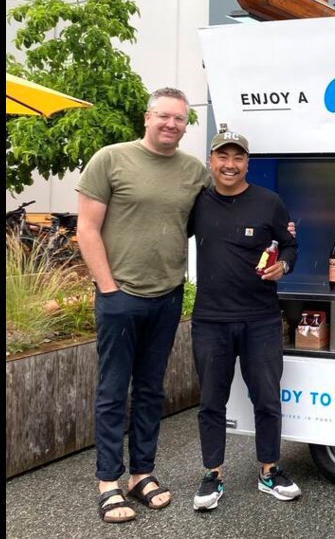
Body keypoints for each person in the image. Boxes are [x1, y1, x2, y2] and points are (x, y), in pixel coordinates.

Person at [77, 87, 209, 523]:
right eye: (164, 116)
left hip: (167, 295)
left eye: (179, 120)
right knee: (114, 390)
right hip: (120, 296)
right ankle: (108, 483)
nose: (171, 125)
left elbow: (203, 222)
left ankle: (142, 473)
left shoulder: (194, 172)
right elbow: (87, 229)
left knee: (152, 391)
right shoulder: (111, 159)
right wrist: (108, 288)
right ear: (147, 117)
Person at [189, 125, 301, 512]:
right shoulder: (198, 203)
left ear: (247, 164)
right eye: (223, 156)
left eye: (238, 157)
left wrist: (283, 265)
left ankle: (270, 470)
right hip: (210, 320)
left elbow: (289, 242)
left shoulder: (269, 202)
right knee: (211, 401)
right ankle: (212, 474)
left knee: (268, 399)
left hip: (261, 319)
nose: (230, 164)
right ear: (211, 162)